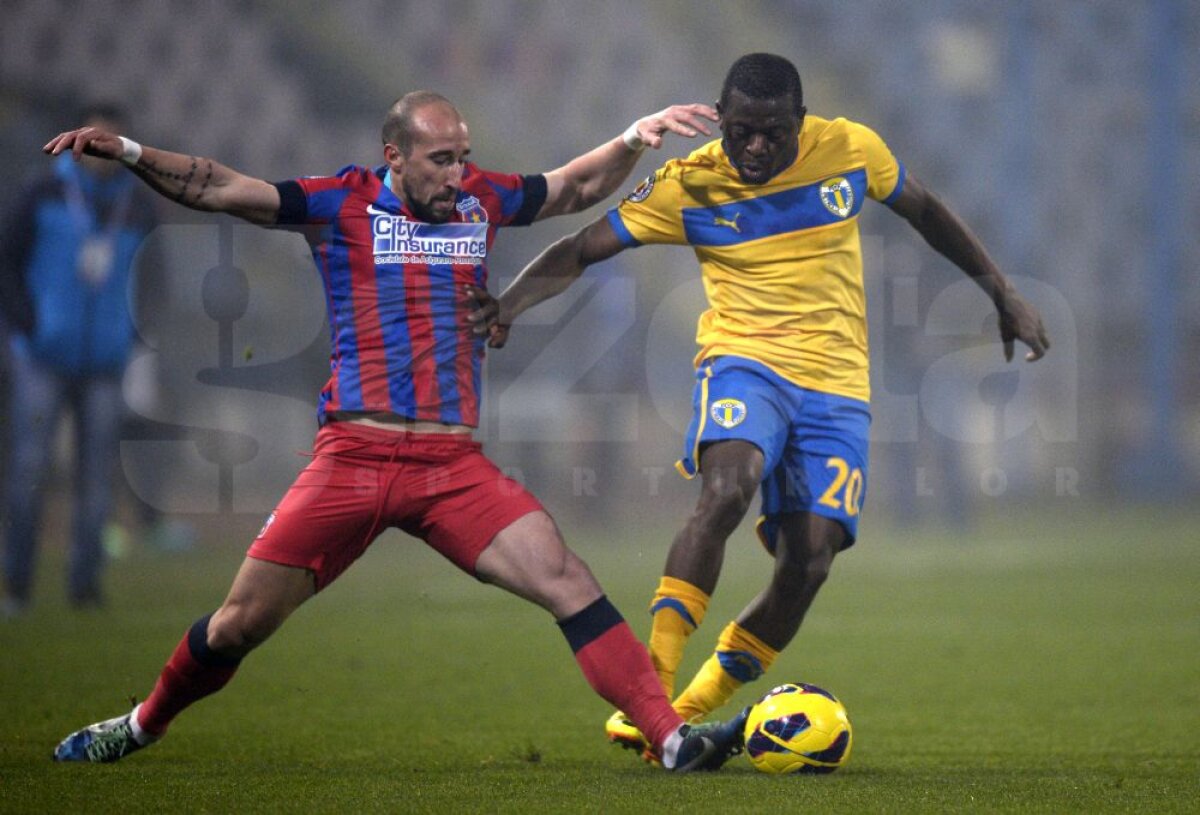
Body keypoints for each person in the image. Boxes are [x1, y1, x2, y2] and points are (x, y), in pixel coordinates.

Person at [45, 91, 746, 772]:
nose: (456, 175)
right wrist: (132, 151)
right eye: (440, 159)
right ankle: (140, 724)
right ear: (396, 156)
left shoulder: (482, 200)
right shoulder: (339, 202)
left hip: (451, 465)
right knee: (238, 624)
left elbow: (571, 187)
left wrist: (633, 135)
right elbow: (220, 187)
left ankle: (671, 737)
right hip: (353, 456)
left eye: (463, 158)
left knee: (565, 577)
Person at [470, 53, 1050, 755]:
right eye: (741, 130)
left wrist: (1001, 291)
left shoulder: (851, 151)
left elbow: (926, 210)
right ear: (721, 119)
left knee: (809, 561)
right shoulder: (689, 184)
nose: (753, 146)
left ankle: (691, 705)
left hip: (837, 386)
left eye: (771, 133)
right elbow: (581, 247)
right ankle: (650, 692)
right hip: (745, 364)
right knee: (726, 489)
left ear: (799, 123)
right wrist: (508, 305)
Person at [1, 102, 161, 615]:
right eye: (93, 140)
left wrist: (134, 335)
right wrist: (28, 326)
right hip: (42, 357)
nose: (100, 151)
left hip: (107, 363)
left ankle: (84, 588)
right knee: (30, 470)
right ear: (75, 140)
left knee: (96, 481)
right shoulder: (42, 190)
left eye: (110, 141)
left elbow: (158, 278)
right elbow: (6, 262)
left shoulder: (138, 204)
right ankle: (17, 585)